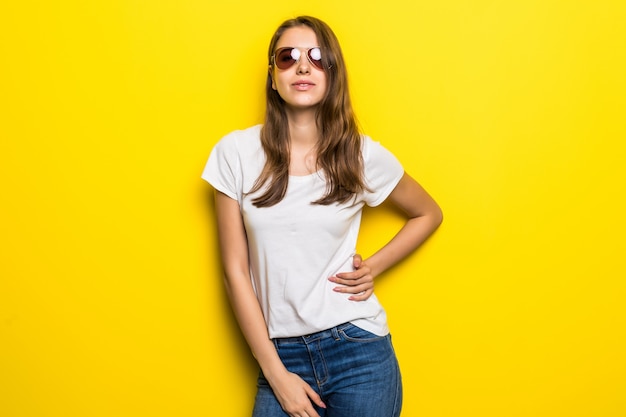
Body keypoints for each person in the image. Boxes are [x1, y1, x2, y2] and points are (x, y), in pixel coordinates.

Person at [202, 15, 442, 417]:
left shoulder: (359, 155)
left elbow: (428, 213)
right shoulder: (235, 154)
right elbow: (234, 272)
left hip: (358, 353)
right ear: (272, 75)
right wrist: (276, 374)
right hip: (280, 354)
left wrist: (374, 266)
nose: (302, 66)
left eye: (317, 57)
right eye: (287, 57)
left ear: (333, 72)